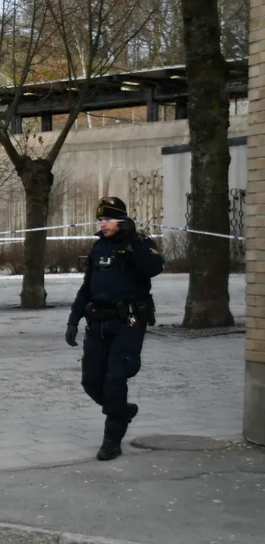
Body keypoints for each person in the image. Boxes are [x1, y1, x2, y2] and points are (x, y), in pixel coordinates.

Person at [66, 197, 164, 461]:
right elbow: (87, 287)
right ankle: (121, 410)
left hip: (128, 323)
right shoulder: (99, 247)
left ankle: (112, 440)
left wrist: (132, 245)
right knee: (90, 381)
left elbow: (154, 268)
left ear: (122, 221)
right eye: (100, 220)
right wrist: (73, 320)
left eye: (108, 219)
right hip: (98, 323)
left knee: (115, 379)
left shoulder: (139, 243)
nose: (103, 224)